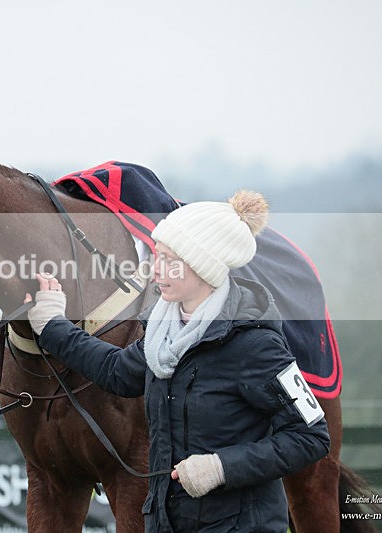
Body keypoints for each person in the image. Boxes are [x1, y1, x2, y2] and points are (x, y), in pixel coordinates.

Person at [25, 190, 330, 532]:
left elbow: (311, 437)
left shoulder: (256, 345)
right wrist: (53, 326)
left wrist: (221, 467)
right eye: (157, 257)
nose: (157, 271)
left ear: (204, 267)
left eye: (171, 261)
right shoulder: (162, 332)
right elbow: (117, 372)